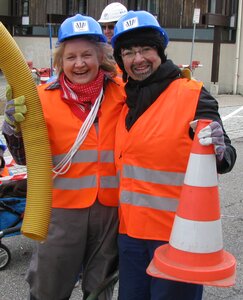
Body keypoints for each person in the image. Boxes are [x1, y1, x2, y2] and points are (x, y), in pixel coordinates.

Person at [111, 10, 237, 300]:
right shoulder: (124, 99)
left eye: (145, 48)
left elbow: (226, 156)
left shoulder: (193, 95)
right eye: (128, 52)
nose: (138, 58)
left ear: (160, 50)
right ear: (121, 60)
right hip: (130, 236)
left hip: (179, 239)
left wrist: (217, 147)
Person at [2, 13, 126, 300]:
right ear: (60, 61)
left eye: (87, 55)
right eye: (71, 57)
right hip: (61, 210)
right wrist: (12, 128)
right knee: (49, 286)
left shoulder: (122, 93)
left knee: (100, 287)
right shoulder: (40, 97)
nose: (79, 63)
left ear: (101, 56)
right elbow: (23, 157)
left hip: (109, 210)